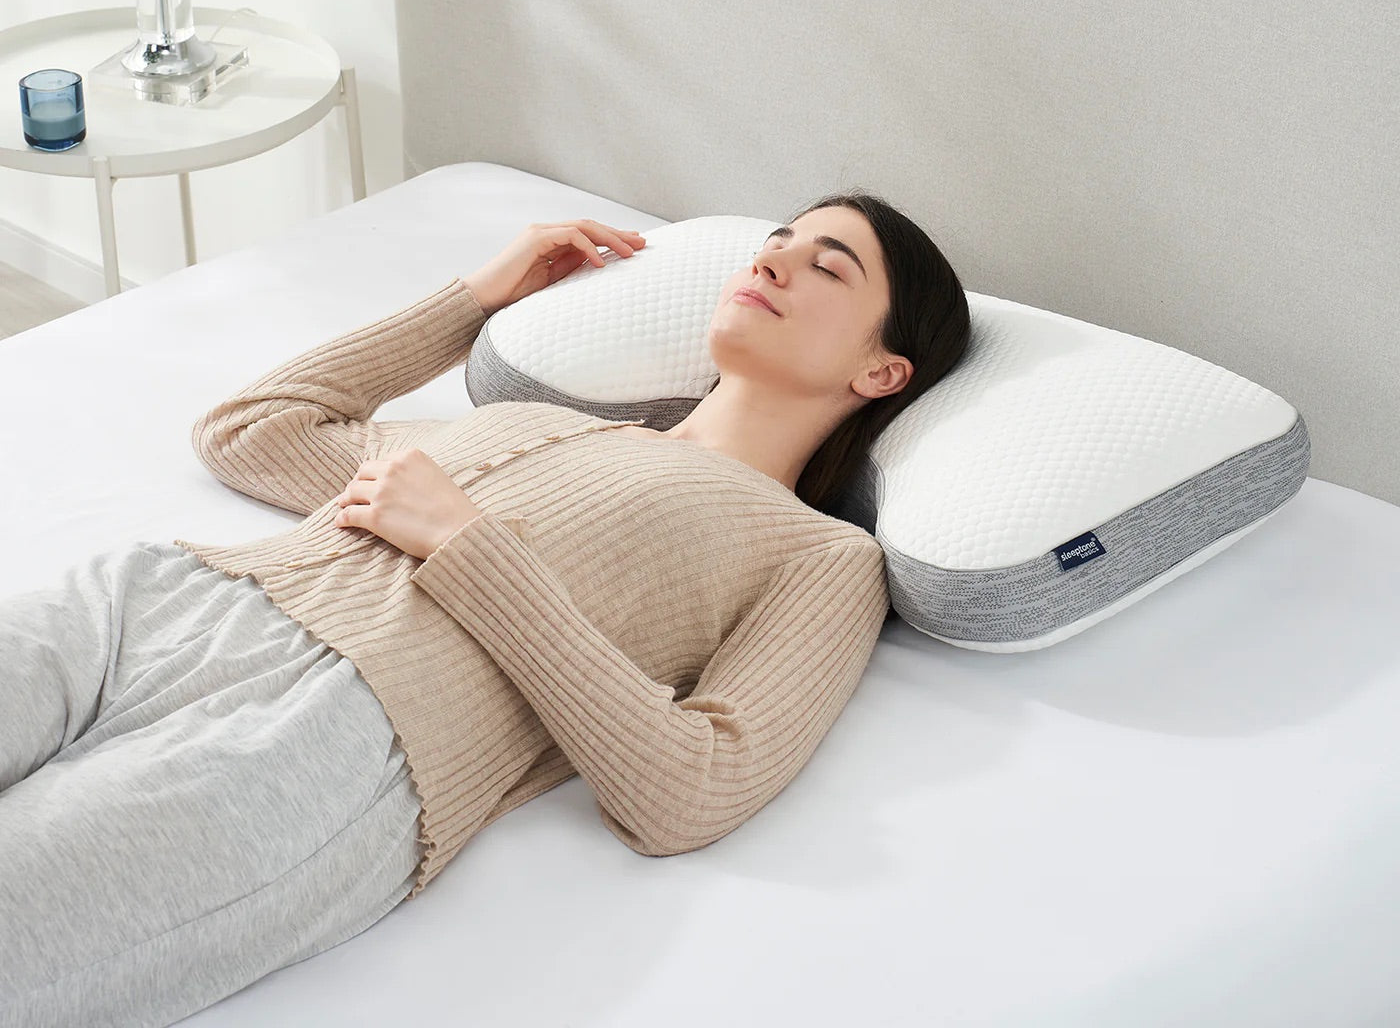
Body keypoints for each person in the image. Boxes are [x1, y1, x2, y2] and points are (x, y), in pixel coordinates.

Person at [0, 189, 970, 1028]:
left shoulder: (820, 553)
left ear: (880, 370)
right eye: (778, 238)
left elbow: (693, 789)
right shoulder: (546, 422)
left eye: (825, 265)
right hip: (153, 605)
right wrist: (474, 299)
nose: (772, 256)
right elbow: (253, 430)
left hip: (321, 744)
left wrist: (469, 547)